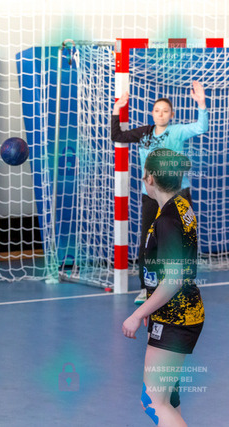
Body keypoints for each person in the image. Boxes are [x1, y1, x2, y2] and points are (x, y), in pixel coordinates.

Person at [122, 149, 204, 427]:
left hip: (175, 319)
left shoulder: (168, 220)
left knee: (153, 401)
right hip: (175, 313)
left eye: (144, 173)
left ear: (151, 179)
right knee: (168, 399)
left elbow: (173, 280)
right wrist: (151, 303)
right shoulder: (180, 206)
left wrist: (137, 314)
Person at [111, 81, 208, 304]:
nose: (161, 114)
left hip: (178, 193)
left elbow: (201, 127)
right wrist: (117, 108)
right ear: (152, 113)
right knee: (149, 239)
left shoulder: (177, 131)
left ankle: (183, 284)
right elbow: (117, 136)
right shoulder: (144, 133)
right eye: (157, 110)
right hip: (152, 196)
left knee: (182, 237)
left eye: (165, 111)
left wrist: (201, 104)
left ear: (171, 114)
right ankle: (147, 288)